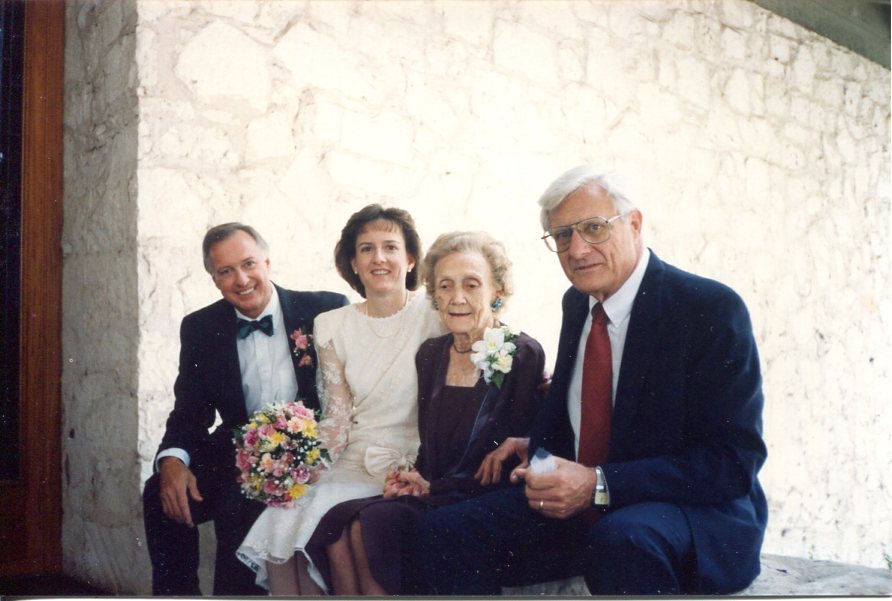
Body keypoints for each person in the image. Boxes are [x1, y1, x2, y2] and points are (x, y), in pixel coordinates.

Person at [418, 165, 768, 595]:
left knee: (622, 539)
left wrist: (599, 483)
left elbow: (733, 462)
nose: (578, 249)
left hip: (685, 512)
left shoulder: (707, 308)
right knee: (447, 530)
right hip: (591, 506)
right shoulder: (578, 303)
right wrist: (538, 453)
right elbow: (574, 410)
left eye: (594, 228)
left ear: (634, 224)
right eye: (563, 235)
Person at [305, 231, 546, 595]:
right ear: (435, 295)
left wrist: (435, 485)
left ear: (496, 292)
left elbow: (507, 457)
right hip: (436, 491)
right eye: (445, 286)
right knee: (342, 524)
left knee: (369, 526)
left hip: (477, 498)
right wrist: (414, 476)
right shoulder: (431, 353)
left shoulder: (521, 352)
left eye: (471, 285)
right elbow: (431, 442)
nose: (457, 298)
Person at [236, 204, 444, 594]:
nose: (378, 258)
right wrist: (306, 466)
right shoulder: (331, 324)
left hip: (408, 464)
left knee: (325, 526)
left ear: (411, 258)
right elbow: (337, 414)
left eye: (390, 247)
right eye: (366, 249)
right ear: (353, 263)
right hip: (352, 460)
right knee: (282, 517)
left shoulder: (435, 315)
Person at [142, 223, 349, 596]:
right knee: (160, 492)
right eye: (226, 271)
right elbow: (190, 411)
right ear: (215, 280)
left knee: (237, 505)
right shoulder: (201, 327)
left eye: (248, 264)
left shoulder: (325, 310)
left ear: (267, 262)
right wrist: (171, 460)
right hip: (238, 451)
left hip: (314, 454)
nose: (241, 279)